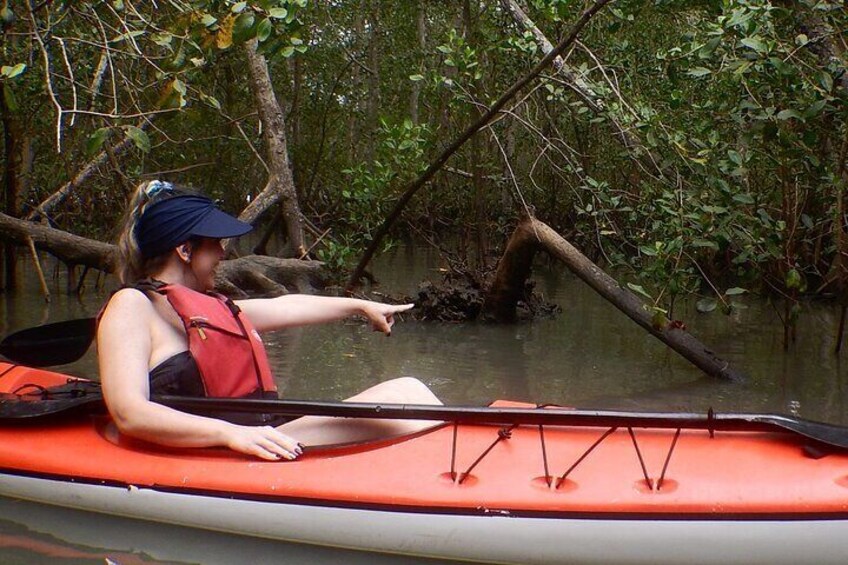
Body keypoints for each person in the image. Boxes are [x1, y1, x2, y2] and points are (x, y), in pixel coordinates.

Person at [97, 180, 441, 461]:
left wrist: (360, 306)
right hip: (225, 450)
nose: (223, 252)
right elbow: (129, 412)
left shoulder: (208, 308)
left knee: (408, 390)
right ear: (185, 251)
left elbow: (288, 306)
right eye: (215, 244)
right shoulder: (131, 306)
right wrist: (231, 434)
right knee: (410, 398)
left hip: (263, 437)